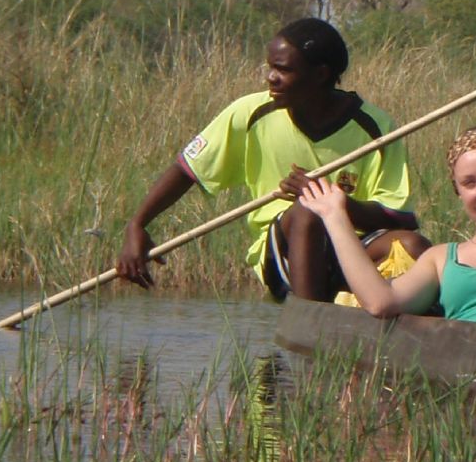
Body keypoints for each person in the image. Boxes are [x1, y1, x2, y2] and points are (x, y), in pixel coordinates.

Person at [116, 18, 424, 301]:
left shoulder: (375, 128)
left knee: (412, 247)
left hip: (353, 249)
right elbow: (187, 169)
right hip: (284, 255)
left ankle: (415, 332)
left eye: (284, 70)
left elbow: (401, 219)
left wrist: (332, 201)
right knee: (307, 213)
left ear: (320, 75)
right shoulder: (250, 113)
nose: (270, 78)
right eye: (270, 67)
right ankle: (308, 326)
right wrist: (137, 224)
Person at [295, 125, 476, 323]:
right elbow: (381, 302)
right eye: (470, 183)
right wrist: (335, 216)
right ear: (458, 192)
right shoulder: (440, 258)